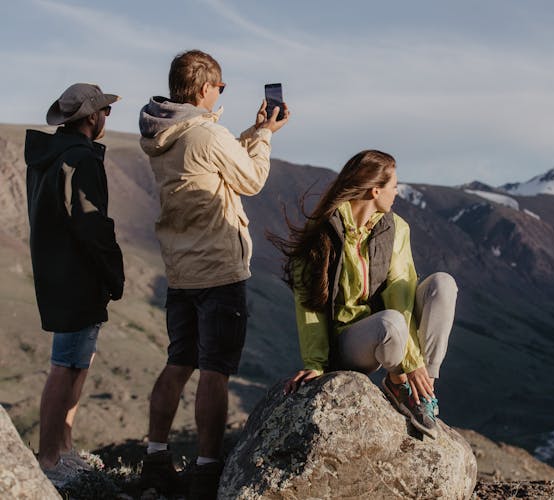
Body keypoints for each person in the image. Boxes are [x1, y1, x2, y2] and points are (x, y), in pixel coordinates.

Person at [138, 49, 289, 499]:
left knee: (177, 362)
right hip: (219, 270)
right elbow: (250, 180)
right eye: (220, 88)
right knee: (214, 371)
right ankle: (207, 471)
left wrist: (254, 130)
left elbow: (210, 159)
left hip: (181, 270)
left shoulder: (162, 134)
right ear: (206, 88)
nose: (219, 95)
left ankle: (155, 458)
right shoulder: (204, 133)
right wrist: (264, 136)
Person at [271, 150, 458, 439]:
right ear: (375, 190)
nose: (397, 193)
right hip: (351, 341)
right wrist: (315, 364)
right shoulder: (324, 231)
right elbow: (308, 303)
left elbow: (402, 292)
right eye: (394, 186)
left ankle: (422, 393)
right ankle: (398, 383)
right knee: (390, 323)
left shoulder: (396, 228)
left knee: (442, 285)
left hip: (394, 331)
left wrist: (416, 363)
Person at [25, 83, 125, 487]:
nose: (106, 118)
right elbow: (91, 223)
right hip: (78, 276)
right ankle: (50, 458)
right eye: (104, 111)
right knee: (65, 366)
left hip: (58, 273)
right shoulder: (79, 160)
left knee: (75, 360)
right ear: (90, 117)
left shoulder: (49, 157)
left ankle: (62, 448)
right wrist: (112, 272)